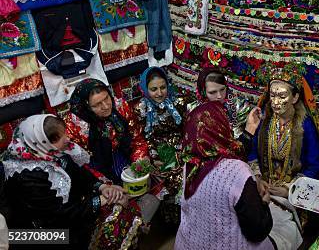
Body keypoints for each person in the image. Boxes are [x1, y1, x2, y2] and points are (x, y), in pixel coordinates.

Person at [2, 114, 142, 249]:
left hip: (69, 209)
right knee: (112, 220)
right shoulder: (26, 176)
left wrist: (103, 187)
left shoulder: (48, 151)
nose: (66, 139)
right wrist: (101, 200)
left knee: (121, 203)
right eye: (56, 139)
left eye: (63, 133)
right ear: (37, 141)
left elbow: (79, 174)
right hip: (41, 233)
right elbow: (58, 215)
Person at [175, 101, 276, 249]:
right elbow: (257, 230)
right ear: (221, 129)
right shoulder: (237, 172)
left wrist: (249, 130)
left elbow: (232, 151)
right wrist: (264, 203)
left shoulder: (190, 164)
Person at [65, 78, 161, 228]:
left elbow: (136, 138)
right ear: (86, 106)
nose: (105, 106)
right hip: (94, 170)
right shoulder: (75, 125)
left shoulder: (120, 107)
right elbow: (80, 165)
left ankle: (137, 224)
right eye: (97, 105)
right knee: (112, 210)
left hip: (121, 157)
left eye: (106, 98)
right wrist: (106, 186)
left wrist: (140, 162)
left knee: (151, 188)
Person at [248, 63, 319, 197]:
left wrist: (289, 189)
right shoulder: (264, 120)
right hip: (262, 188)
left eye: (282, 96)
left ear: (295, 98)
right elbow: (252, 151)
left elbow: (315, 166)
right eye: (272, 95)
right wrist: (258, 179)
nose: (276, 102)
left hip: (292, 193)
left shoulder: (305, 125)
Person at [137, 66, 185, 225]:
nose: (159, 93)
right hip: (156, 151)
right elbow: (145, 137)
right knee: (165, 178)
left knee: (184, 175)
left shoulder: (177, 102)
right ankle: (171, 221)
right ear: (145, 89)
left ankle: (184, 218)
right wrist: (154, 157)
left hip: (179, 146)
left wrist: (182, 149)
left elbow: (185, 129)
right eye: (153, 89)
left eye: (163, 87)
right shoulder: (142, 109)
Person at [194, 67, 261, 155]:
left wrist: (250, 128)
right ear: (203, 92)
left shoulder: (238, 106)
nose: (219, 96)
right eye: (212, 92)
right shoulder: (195, 112)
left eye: (222, 89)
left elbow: (243, 147)